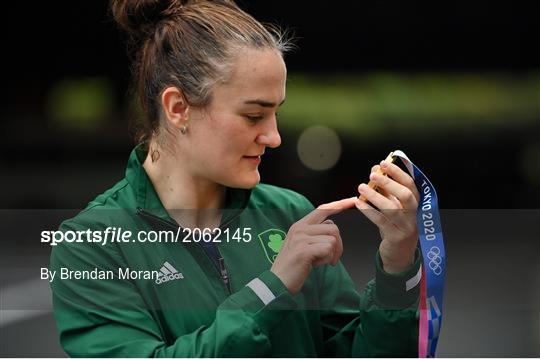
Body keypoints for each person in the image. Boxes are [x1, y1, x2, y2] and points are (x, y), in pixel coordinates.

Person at [50, 0, 422, 357]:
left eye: (275, 113)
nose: (274, 137)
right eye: (253, 115)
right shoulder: (91, 245)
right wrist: (271, 289)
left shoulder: (290, 213)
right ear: (178, 109)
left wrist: (397, 263)